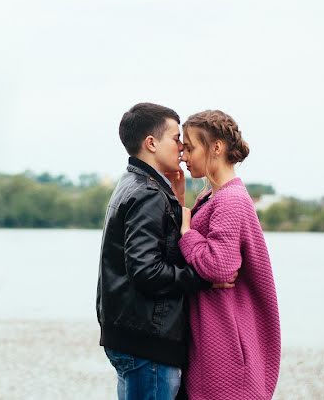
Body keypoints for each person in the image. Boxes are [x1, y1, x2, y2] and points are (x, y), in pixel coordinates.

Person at [97, 102, 237, 400]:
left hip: (132, 336)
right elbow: (146, 272)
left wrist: (177, 200)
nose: (182, 149)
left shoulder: (134, 185)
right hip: (147, 341)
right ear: (151, 143)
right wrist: (203, 279)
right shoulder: (148, 194)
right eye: (176, 139)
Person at [178, 110, 281, 400]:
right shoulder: (210, 197)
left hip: (226, 348)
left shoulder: (231, 200)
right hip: (212, 339)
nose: (183, 156)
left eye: (190, 147)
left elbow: (217, 265)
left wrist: (187, 234)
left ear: (216, 148)